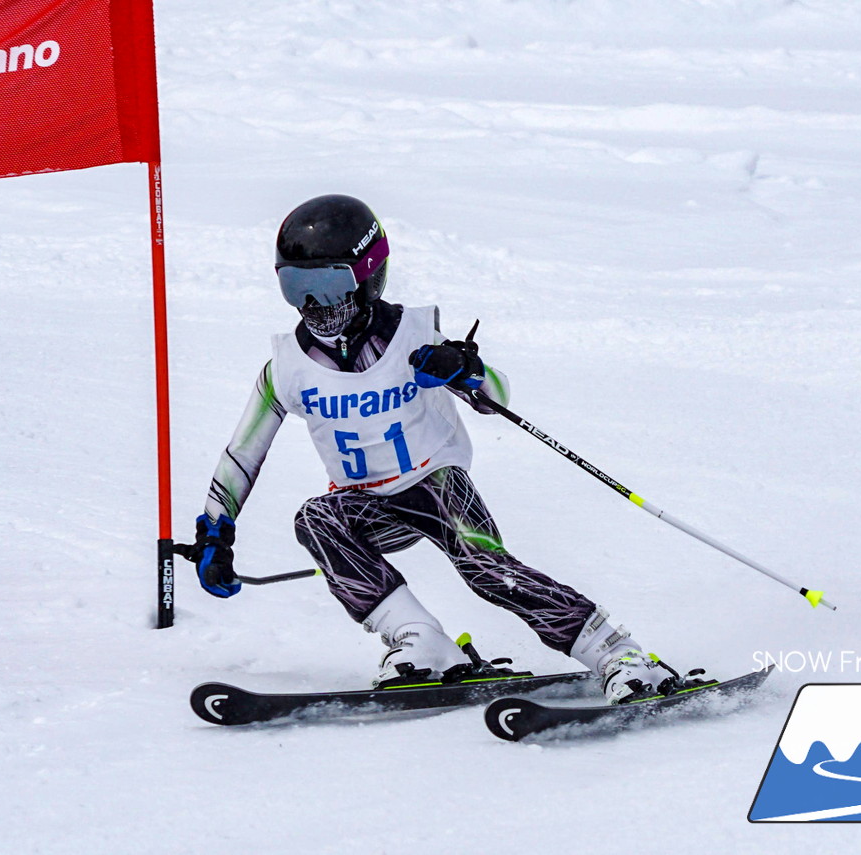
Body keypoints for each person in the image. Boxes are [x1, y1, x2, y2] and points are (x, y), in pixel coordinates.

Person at [191, 194, 695, 704]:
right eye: (295, 287)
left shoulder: (412, 333)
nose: (312, 306)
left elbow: (495, 398)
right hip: (368, 505)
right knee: (318, 519)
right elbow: (242, 453)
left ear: (368, 276)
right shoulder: (286, 367)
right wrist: (217, 528)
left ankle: (619, 653)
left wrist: (464, 368)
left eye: (326, 285)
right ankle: (421, 641)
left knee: (487, 570)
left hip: (437, 485)